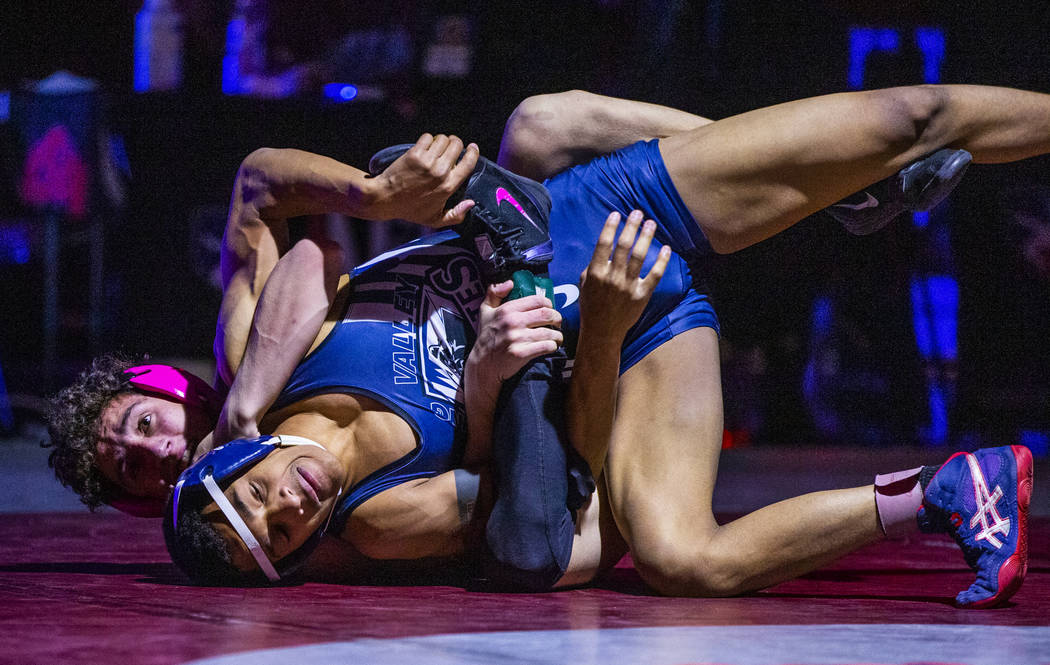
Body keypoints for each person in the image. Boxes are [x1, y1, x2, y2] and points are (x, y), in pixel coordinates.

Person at [57, 85, 1043, 606]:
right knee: (678, 558)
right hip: (623, 330)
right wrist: (517, 376)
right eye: (134, 473)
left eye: (137, 429)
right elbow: (563, 514)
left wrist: (376, 199)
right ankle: (953, 487)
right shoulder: (375, 519)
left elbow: (267, 191)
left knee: (906, 118)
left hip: (577, 220)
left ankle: (847, 184)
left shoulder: (255, 365)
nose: (289, 508)